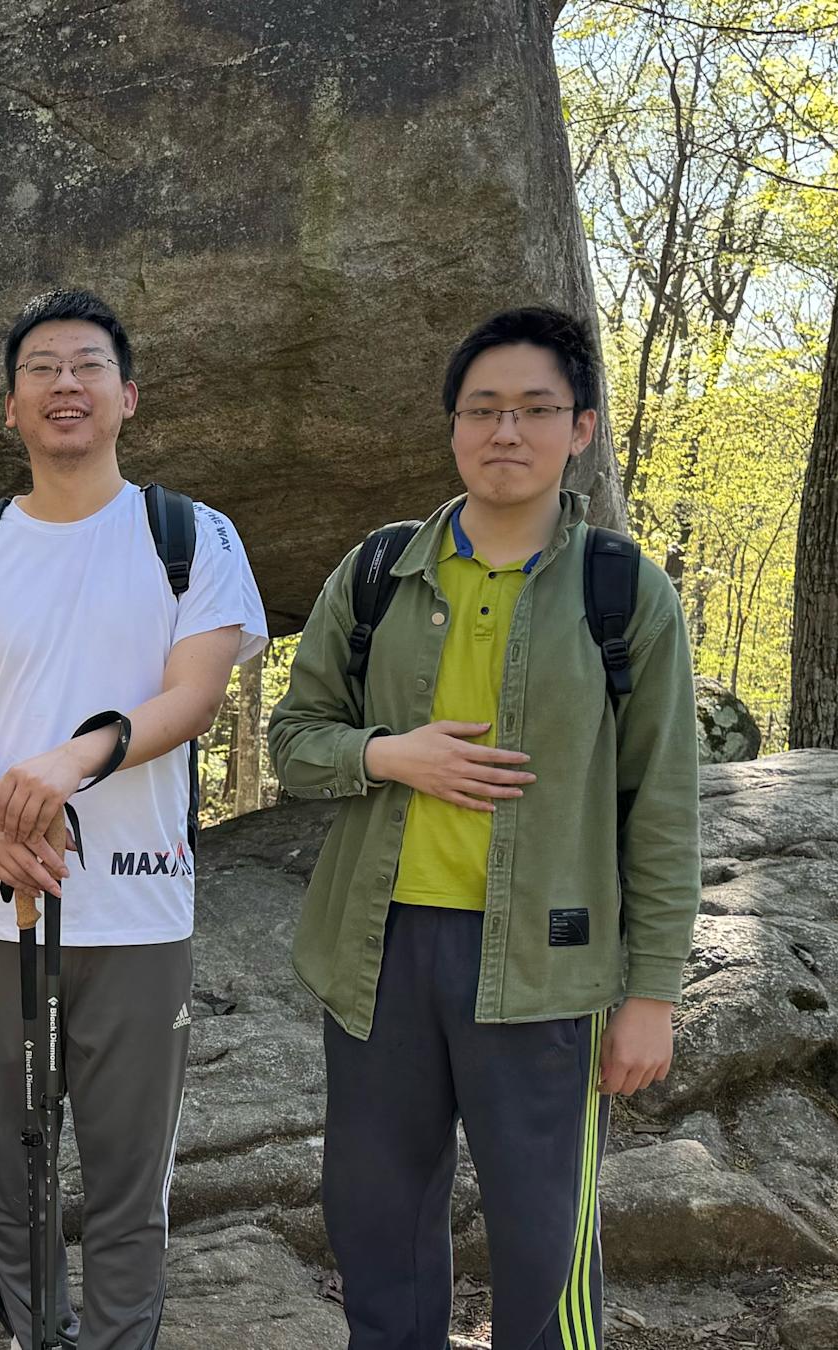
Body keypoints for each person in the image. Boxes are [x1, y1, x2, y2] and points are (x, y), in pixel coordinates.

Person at [267, 306, 698, 1350]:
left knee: (544, 1247)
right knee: (377, 1231)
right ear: (453, 427)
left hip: (547, 967)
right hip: (380, 956)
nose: (506, 432)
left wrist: (651, 993)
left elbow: (663, 803)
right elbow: (294, 737)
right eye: (483, 410)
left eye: (535, 410)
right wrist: (387, 754)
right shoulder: (380, 572)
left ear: (581, 428)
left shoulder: (619, 590)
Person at [0, 289, 267, 1349]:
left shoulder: (189, 536)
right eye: (42, 368)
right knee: (11, 1169)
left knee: (126, 1177)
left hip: (139, 907)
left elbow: (193, 694)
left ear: (128, 396)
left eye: (89, 365)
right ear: (10, 407)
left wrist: (65, 763)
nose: (66, 384)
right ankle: (29, 1336)